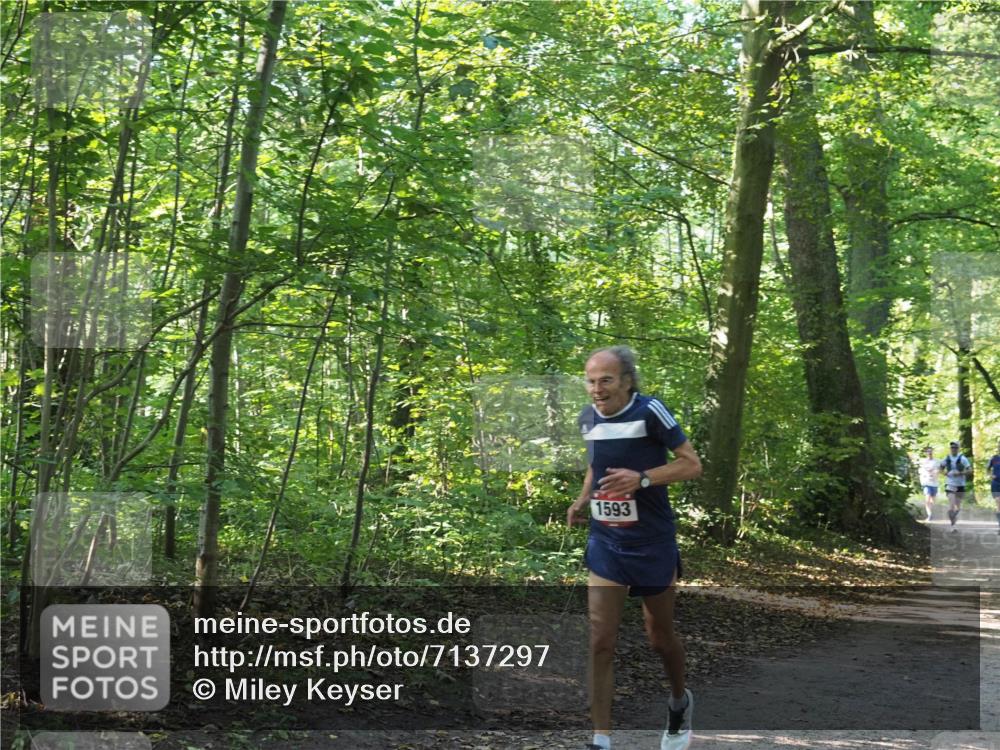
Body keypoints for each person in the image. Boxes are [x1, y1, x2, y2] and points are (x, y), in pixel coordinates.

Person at [567, 346, 702, 750]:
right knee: (599, 639)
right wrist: (582, 499)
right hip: (607, 541)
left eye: (606, 380)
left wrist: (642, 478)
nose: (597, 389)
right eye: (591, 381)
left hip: (651, 542)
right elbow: (596, 464)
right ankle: (601, 739)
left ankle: (679, 702)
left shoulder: (650, 411)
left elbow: (691, 463)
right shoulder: (587, 419)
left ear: (627, 380)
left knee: (659, 637)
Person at [940, 441, 971, 532]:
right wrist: (944, 473)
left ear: (958, 448)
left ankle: (954, 519)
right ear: (950, 449)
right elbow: (940, 469)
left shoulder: (963, 459)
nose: (953, 449)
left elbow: (970, 470)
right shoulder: (946, 458)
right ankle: (953, 526)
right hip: (950, 484)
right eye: (952, 447)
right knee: (951, 506)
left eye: (955, 447)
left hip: (960, 485)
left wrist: (960, 473)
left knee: (957, 507)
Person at [917, 446, 939, 521]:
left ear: (932, 452)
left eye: (931, 451)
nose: (929, 453)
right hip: (926, 483)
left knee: (932, 501)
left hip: (934, 483)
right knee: (927, 499)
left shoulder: (936, 461)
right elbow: (920, 471)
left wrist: (935, 473)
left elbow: (938, 470)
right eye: (928, 451)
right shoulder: (923, 462)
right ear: (926, 453)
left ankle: (931, 512)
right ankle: (929, 515)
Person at [987, 440, 1000, 534]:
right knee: (998, 503)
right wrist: (991, 476)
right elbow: (987, 469)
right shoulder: (994, 458)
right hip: (996, 484)